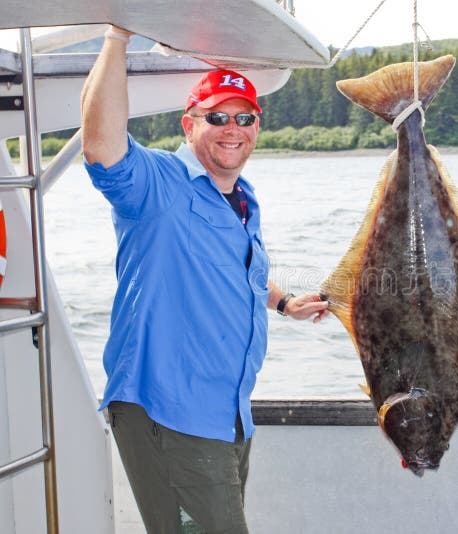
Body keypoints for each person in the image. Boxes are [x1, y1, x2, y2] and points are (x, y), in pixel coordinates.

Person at [81, 25, 329, 533]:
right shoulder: (158, 185)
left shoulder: (241, 201)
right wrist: (116, 36)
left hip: (227, 414)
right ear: (189, 124)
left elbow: (239, 275)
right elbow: (101, 145)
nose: (231, 127)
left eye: (244, 117)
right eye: (216, 116)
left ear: (257, 127)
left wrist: (283, 304)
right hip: (169, 412)